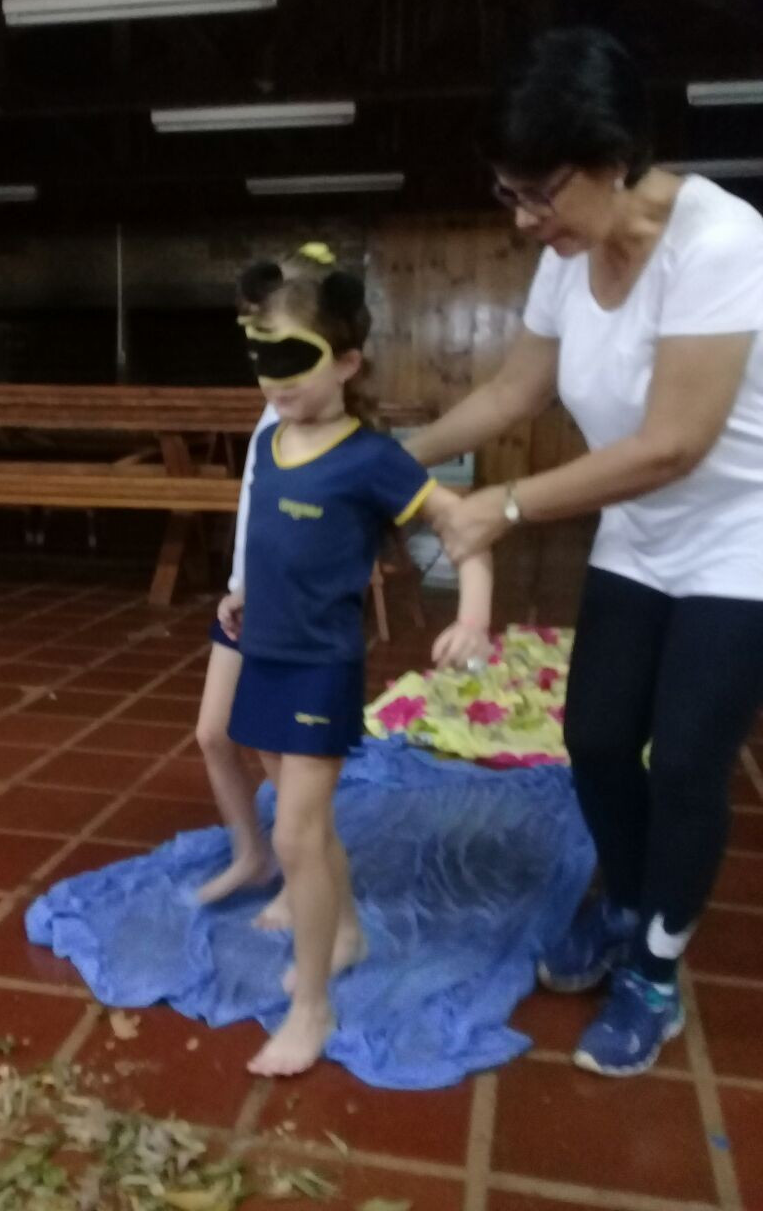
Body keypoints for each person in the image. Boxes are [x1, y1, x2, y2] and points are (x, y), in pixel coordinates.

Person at [407, 26, 763, 1076]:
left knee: (688, 759)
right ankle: (626, 899)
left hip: (741, 542)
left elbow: (673, 444)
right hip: (639, 534)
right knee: (599, 738)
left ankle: (654, 965)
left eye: (539, 194)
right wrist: (379, 460)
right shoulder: (566, 260)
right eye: (508, 194)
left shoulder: (720, 242)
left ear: (611, 160)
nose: (524, 220)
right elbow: (512, 393)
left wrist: (505, 506)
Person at [226, 264, 493, 1077]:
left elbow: (463, 528)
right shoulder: (269, 441)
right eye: (263, 360)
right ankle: (344, 932)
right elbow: (271, 539)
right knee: (302, 825)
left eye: (293, 362)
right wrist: (244, 593)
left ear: (346, 362)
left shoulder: (372, 459)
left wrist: (472, 616)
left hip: (320, 667)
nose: (275, 382)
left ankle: (311, 1008)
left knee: (294, 834)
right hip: (264, 653)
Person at [194, 260, 283, 906]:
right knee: (213, 734)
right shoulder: (275, 407)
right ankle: (254, 854)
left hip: (280, 608)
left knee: (279, 753)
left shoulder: (308, 417)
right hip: (244, 597)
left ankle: (308, 883)